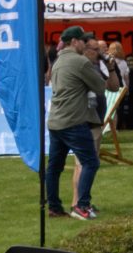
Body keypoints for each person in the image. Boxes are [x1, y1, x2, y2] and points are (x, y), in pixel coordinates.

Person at [43, 27, 107, 221]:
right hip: (73, 121)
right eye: (82, 42)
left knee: (54, 167)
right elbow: (100, 86)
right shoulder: (80, 62)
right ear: (74, 42)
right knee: (90, 162)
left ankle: (54, 207)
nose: (85, 45)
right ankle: (82, 206)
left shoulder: (58, 61)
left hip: (55, 121)